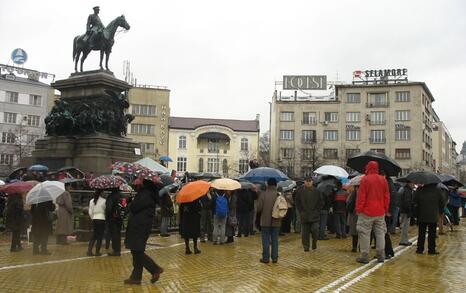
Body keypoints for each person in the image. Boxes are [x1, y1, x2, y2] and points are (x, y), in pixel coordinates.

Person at [124, 179, 163, 285]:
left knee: (137, 251)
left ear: (144, 182)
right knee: (136, 250)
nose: (136, 180)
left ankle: (155, 269)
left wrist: (131, 202)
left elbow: (135, 207)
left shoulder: (146, 194)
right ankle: (136, 277)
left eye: (138, 179)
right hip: (140, 225)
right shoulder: (144, 193)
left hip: (140, 226)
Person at [355, 161, 390, 264]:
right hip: (380, 211)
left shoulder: (365, 179)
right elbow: (387, 196)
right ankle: (381, 255)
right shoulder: (383, 180)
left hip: (367, 211)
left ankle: (364, 255)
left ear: (368, 168)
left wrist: (359, 209)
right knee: (380, 233)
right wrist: (386, 209)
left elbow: (361, 197)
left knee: (364, 233)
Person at [414, 184, 445, 255]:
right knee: (432, 234)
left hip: (421, 215)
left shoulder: (420, 189)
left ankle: (419, 249)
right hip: (433, 215)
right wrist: (440, 211)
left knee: (421, 233)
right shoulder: (438, 190)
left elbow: (415, 200)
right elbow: (442, 202)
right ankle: (431, 250)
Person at [257, 178, 281, 263]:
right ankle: (275, 258)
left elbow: (258, 208)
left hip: (265, 221)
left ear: (268, 184)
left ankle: (266, 258)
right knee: (275, 240)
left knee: (265, 240)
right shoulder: (279, 194)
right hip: (276, 220)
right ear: (275, 185)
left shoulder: (263, 194)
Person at [295, 176, 323, 251]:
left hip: (314, 215)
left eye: (309, 181)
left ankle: (314, 242)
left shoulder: (317, 191)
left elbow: (321, 202)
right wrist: (301, 211)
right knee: (305, 233)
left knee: (315, 230)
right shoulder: (300, 191)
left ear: (312, 182)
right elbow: (297, 201)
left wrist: (317, 211)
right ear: (304, 182)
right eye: (307, 181)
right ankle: (306, 246)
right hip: (304, 215)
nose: (308, 182)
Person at [316, 176, 337, 240]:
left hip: (318, 207)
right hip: (325, 208)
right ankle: (321, 236)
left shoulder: (319, 186)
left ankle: (318, 235)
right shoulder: (328, 188)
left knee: (319, 222)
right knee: (323, 223)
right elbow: (329, 200)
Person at [105, 188, 125, 256]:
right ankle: (118, 249)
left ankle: (115, 250)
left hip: (112, 218)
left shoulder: (111, 196)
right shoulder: (122, 196)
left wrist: (107, 217)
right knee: (118, 234)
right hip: (120, 218)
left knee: (114, 234)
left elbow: (108, 209)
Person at [87, 189, 106, 256]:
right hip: (102, 219)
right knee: (100, 236)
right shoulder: (104, 201)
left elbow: (90, 211)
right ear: (101, 193)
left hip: (94, 218)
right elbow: (105, 210)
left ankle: (89, 251)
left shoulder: (92, 201)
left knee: (94, 235)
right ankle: (97, 251)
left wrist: (92, 217)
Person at [346, 185, 359, 252]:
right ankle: (361, 247)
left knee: (354, 231)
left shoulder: (353, 194)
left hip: (355, 213)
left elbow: (348, 202)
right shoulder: (366, 192)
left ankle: (354, 247)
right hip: (363, 213)